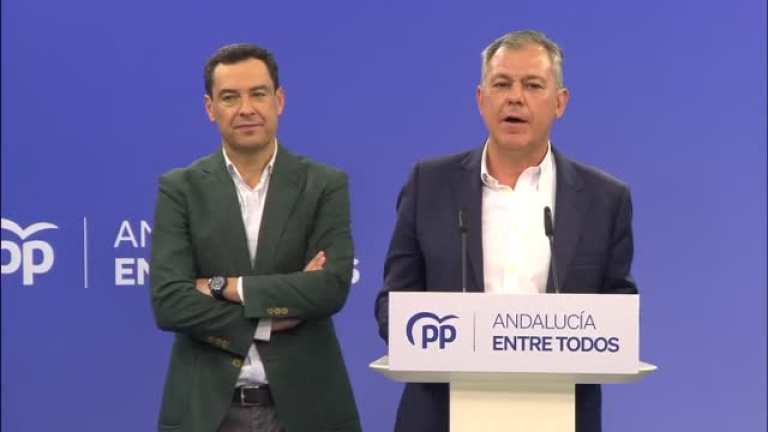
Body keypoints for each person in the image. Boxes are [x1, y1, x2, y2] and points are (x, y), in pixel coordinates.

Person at [375, 30, 638, 432]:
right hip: (442, 412)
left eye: (532, 85)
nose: (515, 97)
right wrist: (435, 342)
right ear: (481, 99)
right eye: (502, 84)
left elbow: (618, 305)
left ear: (560, 102)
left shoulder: (605, 198)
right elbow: (393, 301)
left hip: (559, 412)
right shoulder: (429, 184)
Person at [150, 43, 361, 432]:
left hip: (308, 411)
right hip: (207, 413)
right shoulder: (180, 189)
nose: (246, 108)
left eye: (258, 94)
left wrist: (224, 287)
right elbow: (170, 303)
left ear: (279, 101)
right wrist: (264, 322)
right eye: (230, 97)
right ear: (210, 108)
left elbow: (328, 289)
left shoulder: (324, 184)